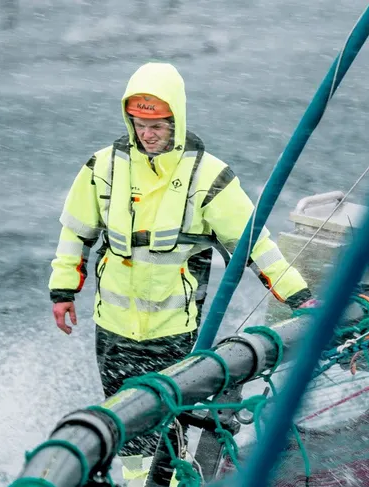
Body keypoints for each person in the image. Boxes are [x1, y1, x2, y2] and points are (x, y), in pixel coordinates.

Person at [48, 62, 314, 486]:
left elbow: (254, 245)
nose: (148, 133)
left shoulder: (208, 177)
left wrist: (299, 297)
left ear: (176, 121)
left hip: (174, 330)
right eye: (139, 123)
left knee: (167, 424)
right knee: (124, 422)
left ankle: (168, 481)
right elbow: (74, 234)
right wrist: (62, 291)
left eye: (157, 124)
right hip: (112, 327)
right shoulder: (102, 168)